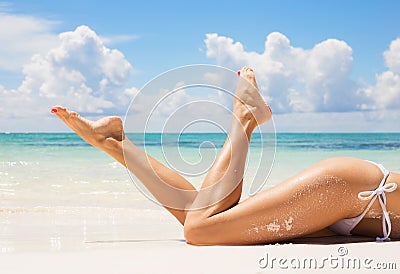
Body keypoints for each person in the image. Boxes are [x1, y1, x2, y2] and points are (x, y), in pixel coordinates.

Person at [51, 66, 399, 245]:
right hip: (353, 190)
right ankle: (244, 116)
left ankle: (115, 142)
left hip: (354, 209)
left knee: (200, 212)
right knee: (202, 231)